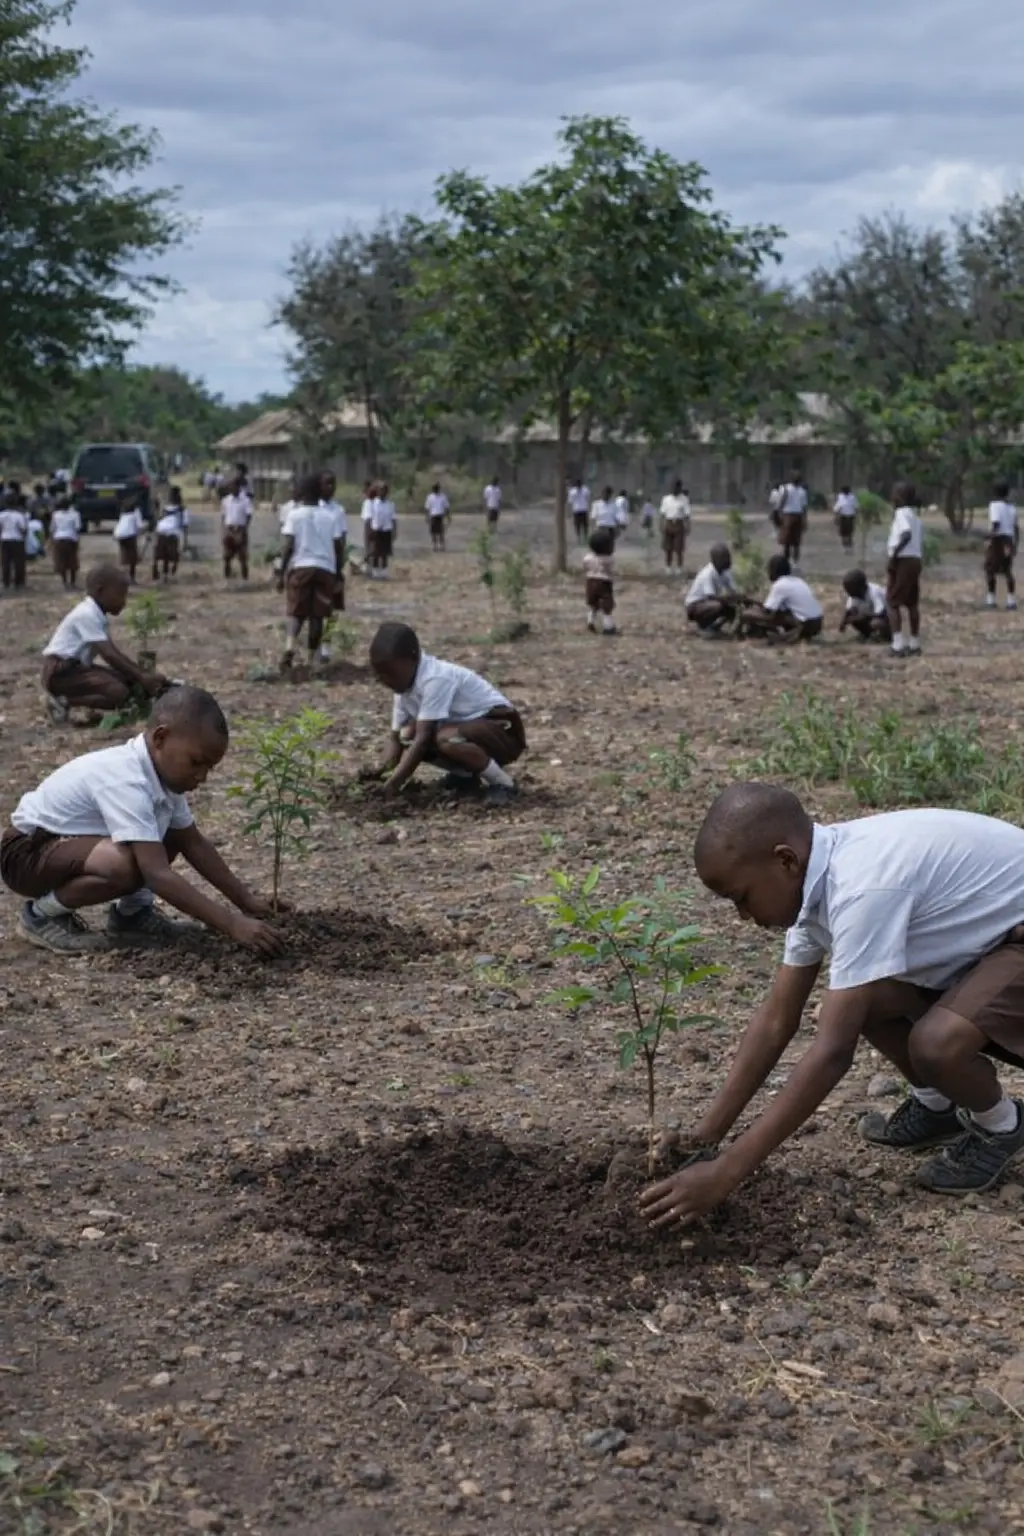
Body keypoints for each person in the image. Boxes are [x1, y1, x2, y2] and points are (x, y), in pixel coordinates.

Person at [640, 784, 1024, 1228]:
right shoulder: (813, 883)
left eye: (741, 898)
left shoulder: (861, 887)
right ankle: (938, 1107)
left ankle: (1001, 1124)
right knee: (861, 1002)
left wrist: (727, 1172)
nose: (742, 917)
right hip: (991, 944)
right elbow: (776, 1021)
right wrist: (704, 1139)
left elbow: (832, 1053)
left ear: (785, 860)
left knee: (935, 1043)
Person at [1, 685, 286, 958]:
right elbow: (157, 875)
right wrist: (231, 924)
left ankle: (132, 915)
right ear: (160, 738)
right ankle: (39, 917)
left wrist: (245, 901)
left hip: (63, 849)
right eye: (196, 762)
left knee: (168, 837)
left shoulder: (163, 779)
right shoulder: (126, 778)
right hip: (26, 853)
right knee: (129, 864)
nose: (202, 776)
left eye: (209, 768)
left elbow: (193, 842)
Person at [367, 622, 525, 806]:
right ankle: (464, 776)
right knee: (407, 734)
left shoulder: (435, 678)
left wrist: (393, 785)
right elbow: (395, 741)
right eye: (379, 674)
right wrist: (378, 773)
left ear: (413, 658)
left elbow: (423, 740)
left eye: (389, 673)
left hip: (503, 732)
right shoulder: (403, 690)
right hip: (469, 732)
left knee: (444, 738)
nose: (383, 680)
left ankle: (503, 783)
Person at [40, 564, 166, 725]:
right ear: (100, 591)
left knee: (128, 684)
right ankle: (63, 701)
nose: (124, 602)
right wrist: (142, 676)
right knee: (119, 692)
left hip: (76, 669)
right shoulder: (86, 614)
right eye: (121, 595)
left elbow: (113, 653)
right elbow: (109, 655)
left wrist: (141, 675)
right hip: (61, 673)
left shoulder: (97, 614)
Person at [278, 473, 345, 669]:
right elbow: (338, 548)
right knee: (318, 616)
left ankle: (290, 646)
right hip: (325, 570)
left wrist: (281, 573)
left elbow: (288, 546)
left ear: (303, 492)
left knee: (296, 612)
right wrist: (339, 574)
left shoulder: (295, 515)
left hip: (301, 568)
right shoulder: (331, 516)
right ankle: (309, 659)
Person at [738, 554, 823, 642]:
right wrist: (754, 601)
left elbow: (767, 611)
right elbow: (776, 609)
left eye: (769, 569)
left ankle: (741, 635)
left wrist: (749, 607)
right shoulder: (798, 580)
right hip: (817, 624)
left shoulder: (780, 585)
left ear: (774, 570)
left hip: (805, 625)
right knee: (780, 612)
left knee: (746, 614)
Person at [886, 480, 923, 658]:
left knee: (892, 602)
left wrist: (894, 555)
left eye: (894, 493)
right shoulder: (915, 515)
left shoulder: (901, 514)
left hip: (903, 560)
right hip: (915, 560)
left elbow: (906, 534)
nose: (892, 496)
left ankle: (897, 645)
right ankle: (914, 643)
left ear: (900, 496)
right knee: (911, 603)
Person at [685, 543, 739, 637]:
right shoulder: (707, 573)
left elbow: (733, 590)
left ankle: (714, 627)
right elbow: (711, 596)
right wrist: (728, 599)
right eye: (723, 558)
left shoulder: (726, 571)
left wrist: (739, 598)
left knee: (731, 609)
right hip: (695, 605)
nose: (727, 560)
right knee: (717, 606)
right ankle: (703, 627)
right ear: (715, 560)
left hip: (708, 602)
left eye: (727, 557)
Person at [985, 480, 1018, 611]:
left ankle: (991, 599)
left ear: (995, 492)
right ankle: (1011, 601)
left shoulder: (994, 506)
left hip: (997, 540)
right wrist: (1015, 544)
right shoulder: (1012, 507)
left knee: (990, 569)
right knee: (1007, 570)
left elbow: (996, 524)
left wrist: (988, 537)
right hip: (1008, 540)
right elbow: (1016, 528)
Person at [319, 471, 348, 611]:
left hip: (333, 559)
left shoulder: (338, 510)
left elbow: (342, 537)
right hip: (317, 558)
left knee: (335, 599)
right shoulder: (313, 508)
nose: (330, 487)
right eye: (327, 483)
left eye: (333, 484)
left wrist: (341, 561)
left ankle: (332, 626)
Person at [839, 569, 891, 643]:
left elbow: (881, 613)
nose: (848, 592)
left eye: (849, 589)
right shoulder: (853, 595)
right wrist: (843, 623)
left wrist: (863, 616)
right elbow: (849, 610)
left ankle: (885, 637)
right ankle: (868, 635)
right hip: (870, 617)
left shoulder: (875, 591)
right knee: (853, 617)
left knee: (876, 623)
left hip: (887, 619)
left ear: (860, 587)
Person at [583, 528, 617, 635]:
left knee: (593, 603)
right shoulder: (608, 559)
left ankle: (590, 621)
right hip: (604, 583)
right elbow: (611, 571)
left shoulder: (588, 557)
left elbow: (585, 566)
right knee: (607, 606)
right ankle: (608, 626)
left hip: (590, 581)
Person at [221, 476, 252, 580]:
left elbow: (249, 515)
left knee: (242, 557)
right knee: (226, 557)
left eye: (233, 486)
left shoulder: (245, 500)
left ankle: (245, 580)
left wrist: (244, 529)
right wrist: (224, 530)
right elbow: (224, 516)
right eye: (230, 486)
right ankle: (227, 579)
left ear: (239, 487)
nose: (231, 488)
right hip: (229, 529)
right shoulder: (226, 500)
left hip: (240, 530)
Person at [153, 488, 186, 582]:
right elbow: (184, 525)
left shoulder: (164, 508)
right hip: (173, 532)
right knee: (173, 554)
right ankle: (170, 571)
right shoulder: (181, 509)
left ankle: (156, 566)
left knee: (160, 553)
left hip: (161, 530)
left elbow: (158, 517)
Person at [660, 480, 691, 576]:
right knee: (668, 548)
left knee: (679, 548)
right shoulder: (666, 499)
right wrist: (661, 525)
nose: (674, 489)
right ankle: (668, 567)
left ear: (680, 488)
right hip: (668, 524)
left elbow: (687, 515)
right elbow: (662, 514)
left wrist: (688, 526)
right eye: (672, 487)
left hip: (679, 524)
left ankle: (679, 567)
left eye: (676, 487)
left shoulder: (684, 499)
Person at [50, 497, 82, 589]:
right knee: (72, 561)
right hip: (71, 539)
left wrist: (51, 541)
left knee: (61, 561)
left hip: (59, 539)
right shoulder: (75, 514)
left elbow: (52, 529)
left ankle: (64, 581)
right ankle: (72, 582)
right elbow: (77, 528)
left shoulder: (56, 515)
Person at [778, 475, 809, 568]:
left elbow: (781, 502)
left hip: (787, 515)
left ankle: (787, 560)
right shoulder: (802, 491)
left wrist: (780, 513)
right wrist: (805, 520)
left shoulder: (785, 489)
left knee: (787, 540)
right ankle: (795, 562)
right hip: (798, 516)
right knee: (796, 540)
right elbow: (804, 508)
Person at [113, 497, 146, 583]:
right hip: (129, 535)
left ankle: (121, 576)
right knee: (132, 557)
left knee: (124, 554)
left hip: (119, 534)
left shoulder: (124, 512)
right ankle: (131, 577)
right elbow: (140, 526)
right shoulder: (136, 512)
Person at [0, 493, 28, 591]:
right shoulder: (19, 515)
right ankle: (18, 582)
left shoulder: (2, 515)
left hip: (5, 539)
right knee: (19, 563)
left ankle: (6, 582)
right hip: (17, 540)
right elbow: (23, 529)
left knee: (5, 563)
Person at [370, 482, 397, 576]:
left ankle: (384, 571)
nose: (382, 492)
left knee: (385, 552)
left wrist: (395, 531)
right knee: (376, 552)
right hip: (376, 530)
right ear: (378, 491)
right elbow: (369, 518)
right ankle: (375, 571)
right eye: (381, 490)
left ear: (387, 492)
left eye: (384, 490)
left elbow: (393, 519)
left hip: (387, 530)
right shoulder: (373, 503)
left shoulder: (390, 504)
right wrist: (370, 531)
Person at [425, 482, 450, 551]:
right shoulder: (430, 497)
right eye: (435, 488)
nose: (436, 490)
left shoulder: (443, 497)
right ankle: (435, 546)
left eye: (437, 488)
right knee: (433, 532)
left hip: (440, 515)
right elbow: (427, 508)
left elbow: (446, 507)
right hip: (433, 516)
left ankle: (442, 546)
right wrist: (427, 517)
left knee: (441, 532)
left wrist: (448, 516)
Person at [833, 487, 858, 555]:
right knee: (843, 533)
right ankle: (844, 547)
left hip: (850, 516)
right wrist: (836, 515)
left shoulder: (852, 497)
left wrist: (856, 516)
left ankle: (850, 547)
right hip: (843, 516)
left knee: (849, 532)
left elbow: (856, 507)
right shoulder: (840, 496)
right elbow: (838, 506)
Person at [568, 480, 591, 544]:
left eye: (579, 484)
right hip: (576, 510)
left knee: (585, 525)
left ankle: (585, 537)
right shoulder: (572, 491)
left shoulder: (585, 490)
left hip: (584, 509)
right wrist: (570, 511)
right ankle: (578, 537)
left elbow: (588, 498)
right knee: (577, 525)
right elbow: (570, 501)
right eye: (577, 484)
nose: (578, 485)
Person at [360, 480, 376, 561]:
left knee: (368, 544)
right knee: (372, 544)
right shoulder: (376, 502)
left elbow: (367, 517)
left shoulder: (368, 502)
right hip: (374, 524)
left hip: (369, 524)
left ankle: (367, 558)